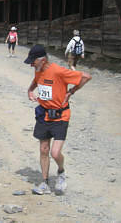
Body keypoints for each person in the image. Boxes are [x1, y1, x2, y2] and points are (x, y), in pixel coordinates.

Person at [24, 44, 91, 195]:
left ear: (42, 60)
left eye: (32, 61)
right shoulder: (38, 70)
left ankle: (61, 173)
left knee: (54, 153)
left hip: (61, 116)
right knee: (43, 149)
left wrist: (71, 92)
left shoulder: (58, 71)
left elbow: (86, 76)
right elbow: (37, 80)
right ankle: (45, 183)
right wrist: (30, 90)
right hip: (43, 114)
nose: (30, 64)